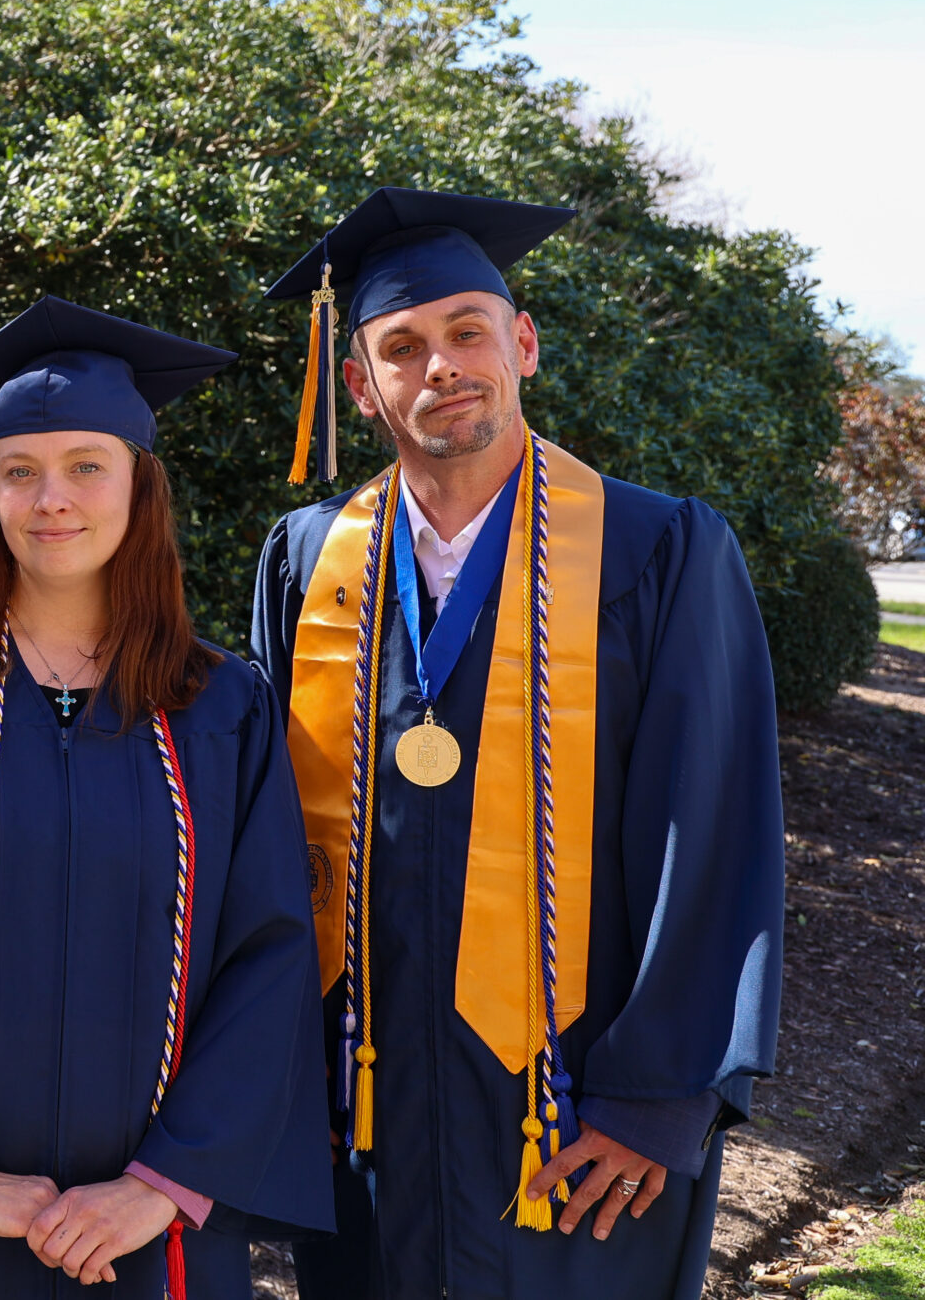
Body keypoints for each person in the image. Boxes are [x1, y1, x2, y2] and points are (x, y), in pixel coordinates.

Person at [248, 187, 785, 1299]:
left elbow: (717, 830)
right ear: (359, 382)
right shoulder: (308, 562)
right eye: (400, 346)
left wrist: (660, 1097)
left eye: (465, 332)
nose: (439, 366)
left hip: (577, 1109)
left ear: (521, 344)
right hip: (365, 1095)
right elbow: (264, 839)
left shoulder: (658, 550)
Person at [0, 297, 333, 1299]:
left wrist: (167, 1182)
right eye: (19, 470)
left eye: (88, 465)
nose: (52, 499)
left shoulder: (221, 707)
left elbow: (269, 953)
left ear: (138, 487)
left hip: (149, 1235)